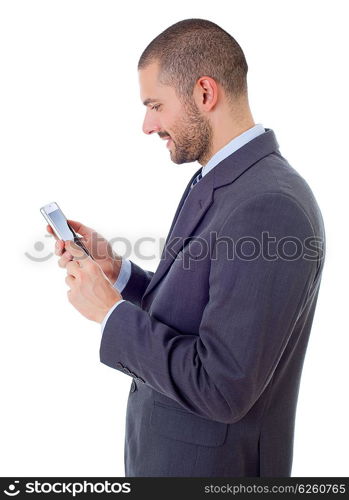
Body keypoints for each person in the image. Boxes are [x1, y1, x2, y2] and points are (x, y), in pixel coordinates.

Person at [47, 19, 325, 477]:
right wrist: (118, 274)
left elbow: (222, 386)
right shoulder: (223, 179)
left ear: (204, 93)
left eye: (155, 105)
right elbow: (197, 311)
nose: (147, 124)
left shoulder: (269, 205)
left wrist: (110, 313)